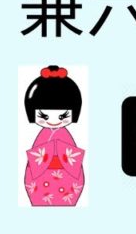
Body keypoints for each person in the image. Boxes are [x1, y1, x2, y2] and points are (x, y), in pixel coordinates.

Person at [23, 65, 86, 206]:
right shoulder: (43, 135)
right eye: (44, 115)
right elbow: (35, 159)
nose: (53, 121)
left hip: (66, 174)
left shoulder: (65, 134)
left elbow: (72, 158)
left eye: (62, 115)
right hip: (41, 176)